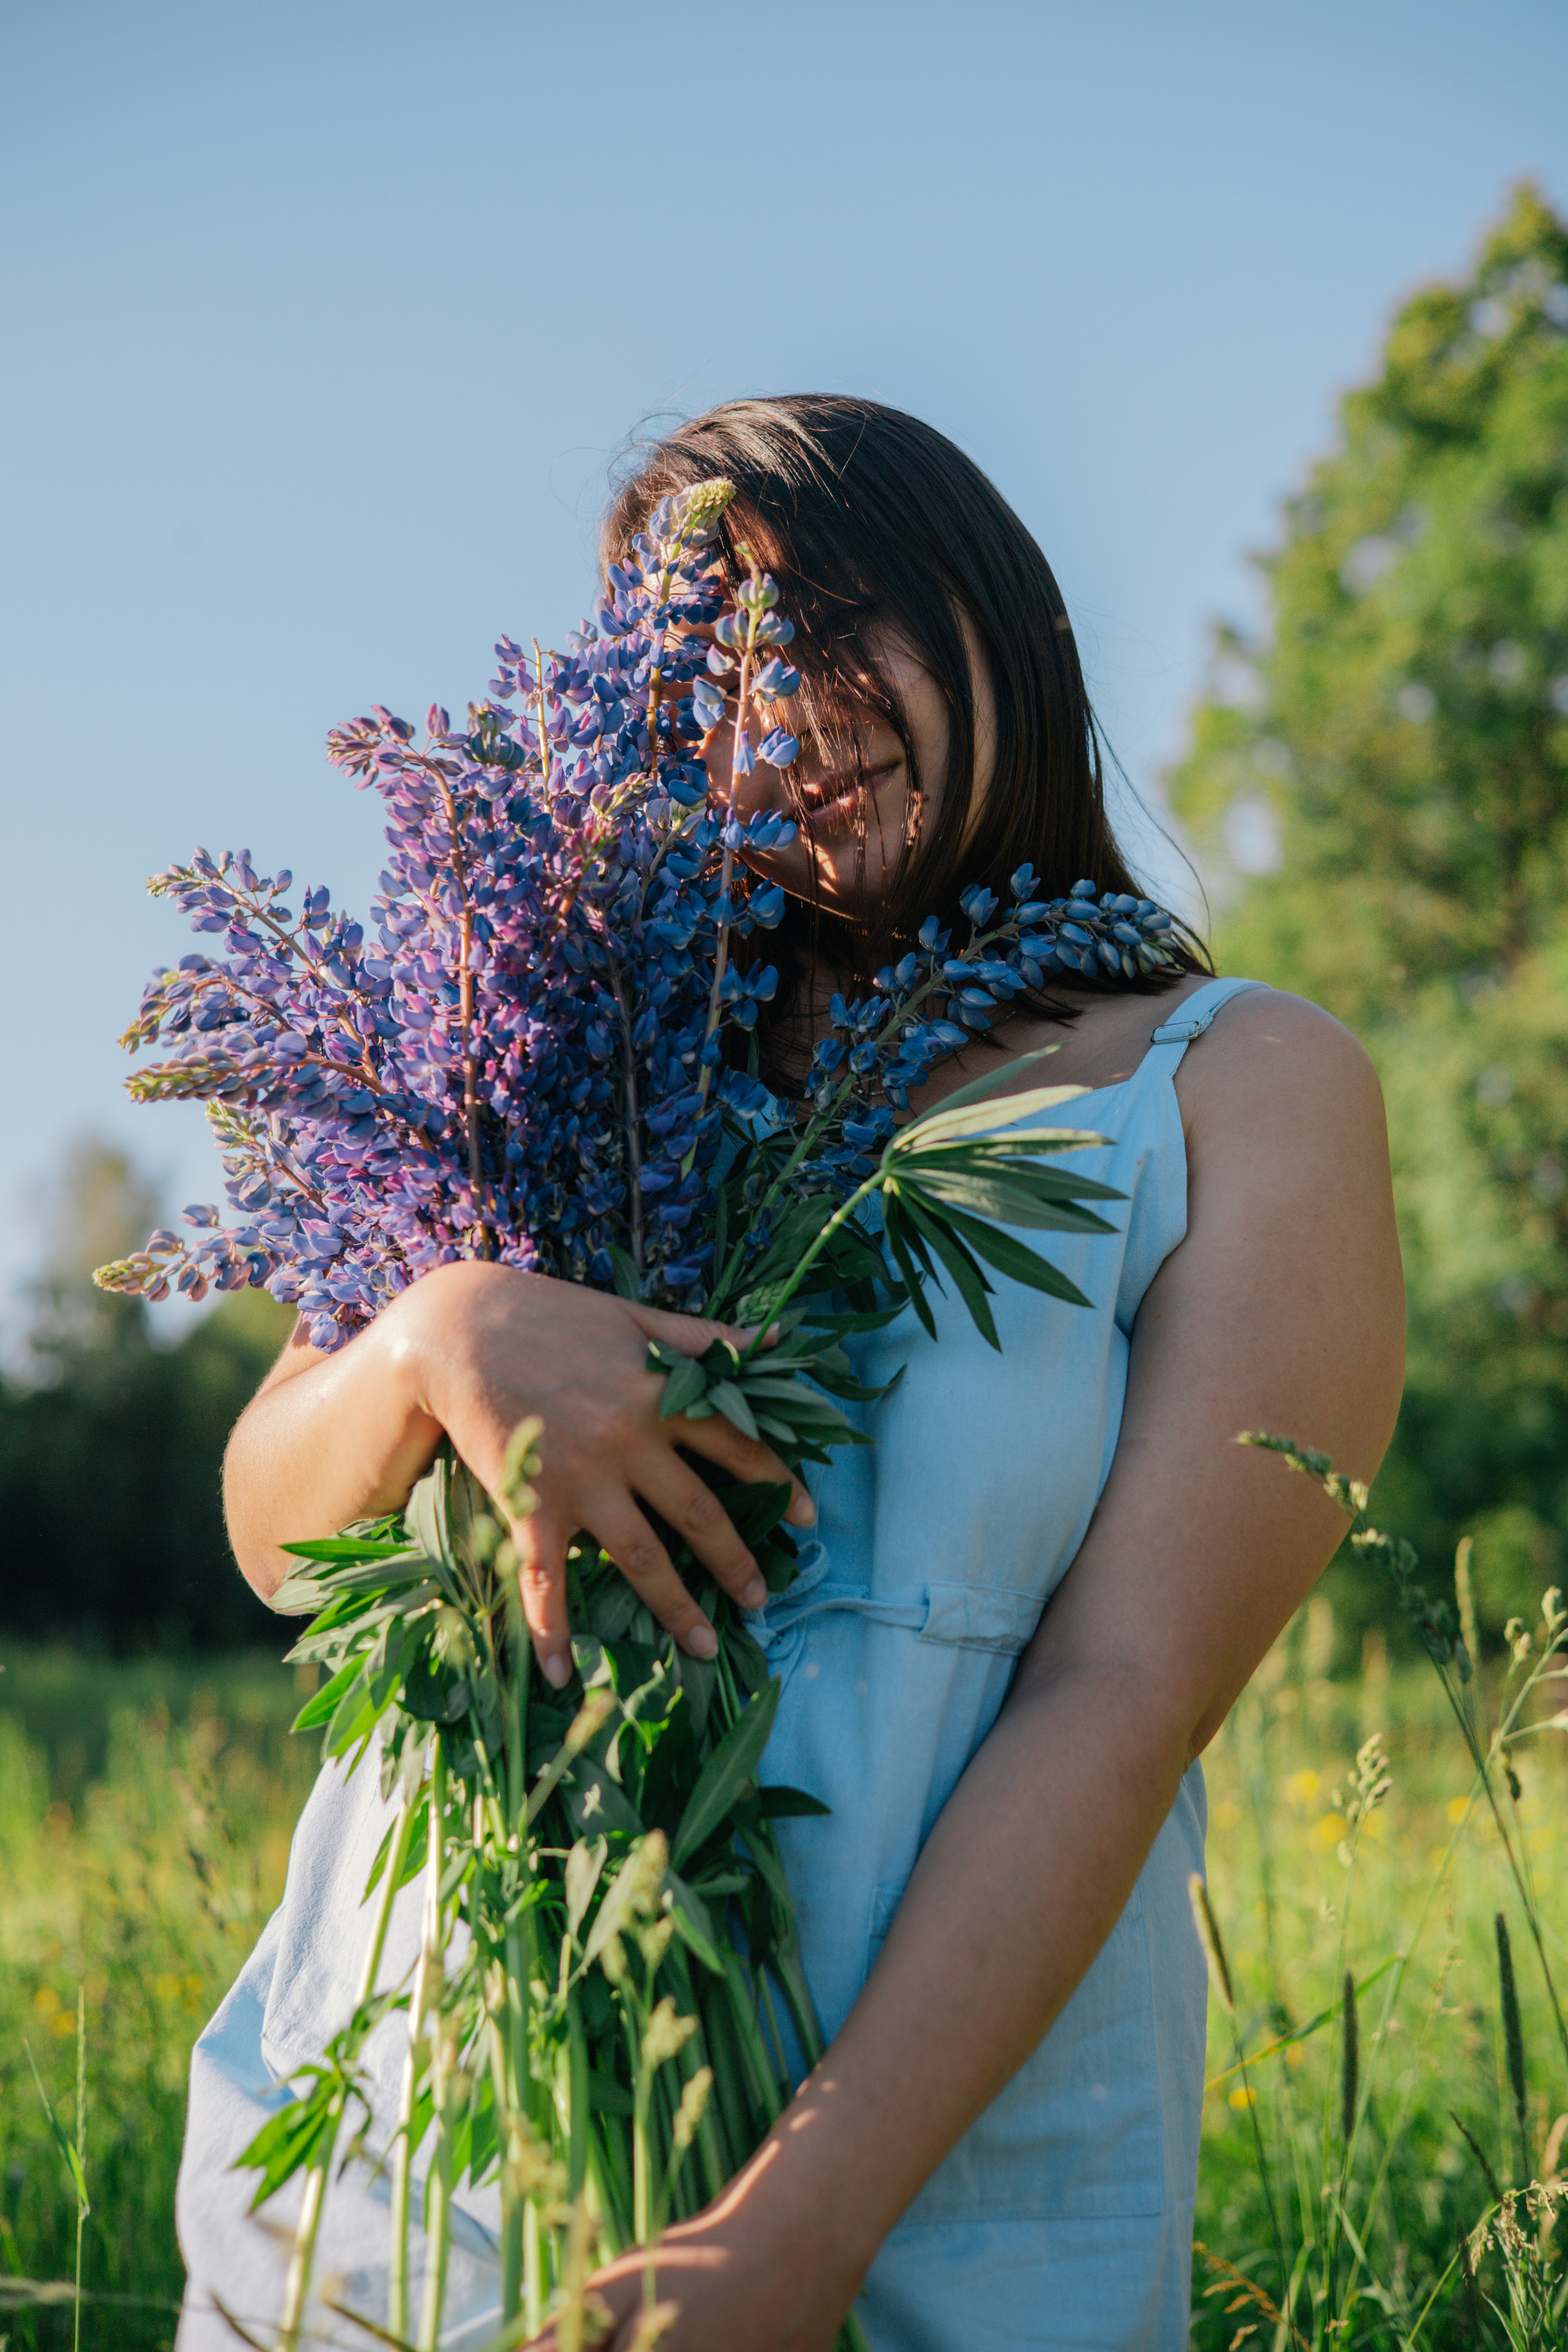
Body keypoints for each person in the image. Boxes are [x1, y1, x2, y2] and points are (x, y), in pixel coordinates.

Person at [176, 396, 1405, 2352]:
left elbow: (1127, 1690)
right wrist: (437, 1334)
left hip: (930, 2176)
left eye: (826, 629)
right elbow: (269, 1532)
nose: (776, 722)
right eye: (692, 695)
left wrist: (800, 2224)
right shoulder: (567, 1045)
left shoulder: (1239, 1085)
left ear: (987, 607)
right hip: (414, 2142)